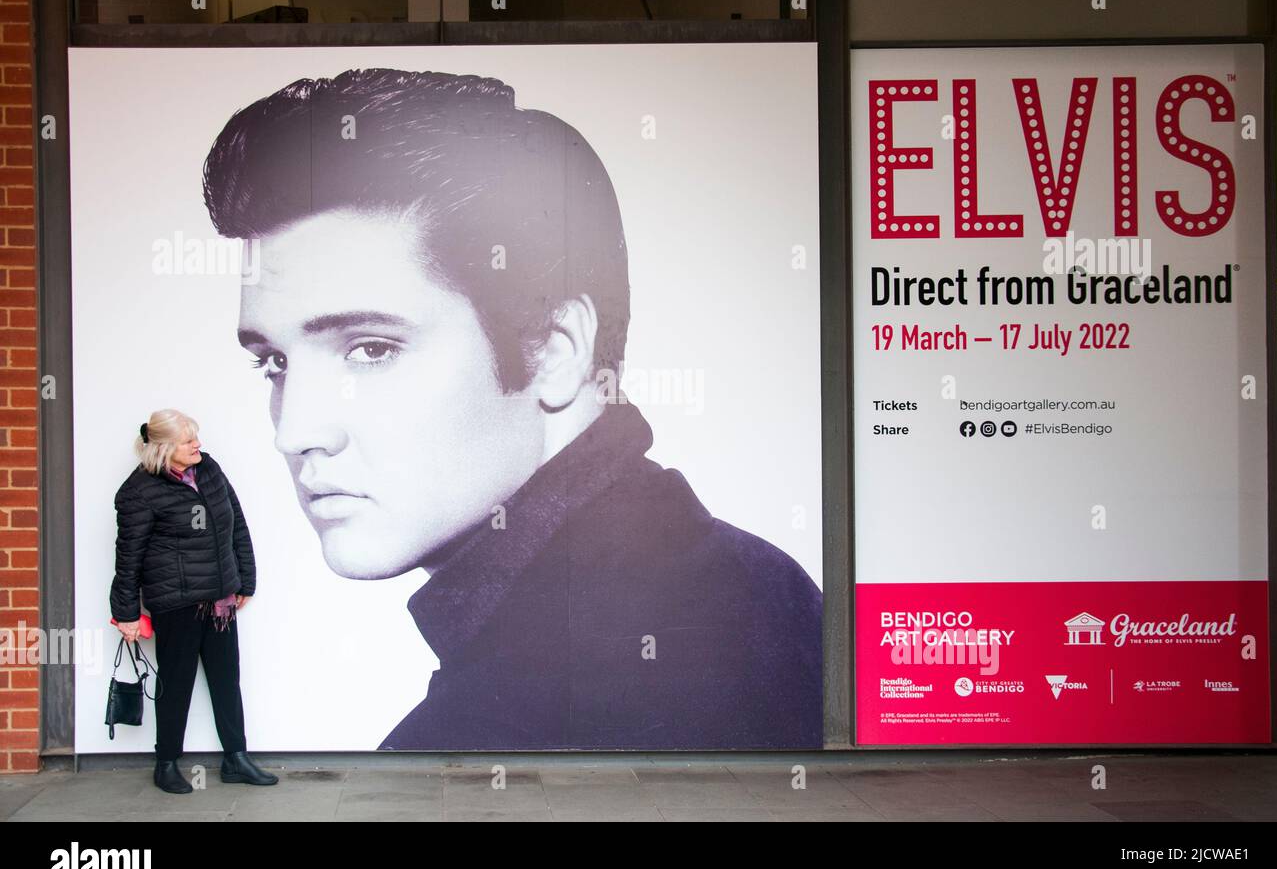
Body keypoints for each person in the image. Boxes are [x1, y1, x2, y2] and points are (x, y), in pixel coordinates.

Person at [203, 68, 822, 750]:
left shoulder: (470, 752)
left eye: (371, 349)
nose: (295, 431)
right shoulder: (765, 582)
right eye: (276, 362)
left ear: (557, 351)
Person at [109, 409, 278, 791]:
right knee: (176, 683)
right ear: (166, 447)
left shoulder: (208, 468)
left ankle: (236, 758)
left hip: (220, 598)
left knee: (226, 679)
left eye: (195, 437)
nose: (198, 445)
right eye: (188, 441)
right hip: (177, 602)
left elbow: (235, 519)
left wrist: (245, 581)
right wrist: (127, 614)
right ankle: (166, 762)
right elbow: (128, 558)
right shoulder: (138, 492)